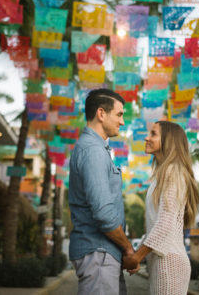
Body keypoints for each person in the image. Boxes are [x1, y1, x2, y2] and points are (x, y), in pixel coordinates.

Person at [68, 88, 138, 295]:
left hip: (102, 254)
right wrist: (128, 248)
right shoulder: (93, 151)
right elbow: (103, 213)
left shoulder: (95, 149)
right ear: (101, 113)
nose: (122, 122)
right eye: (119, 114)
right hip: (98, 253)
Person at [123, 121, 199, 295]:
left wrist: (137, 257)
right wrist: (138, 256)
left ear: (168, 141)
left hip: (169, 263)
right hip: (162, 262)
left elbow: (165, 222)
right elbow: (155, 226)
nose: (147, 138)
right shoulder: (162, 175)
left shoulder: (173, 171)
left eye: (153, 134)